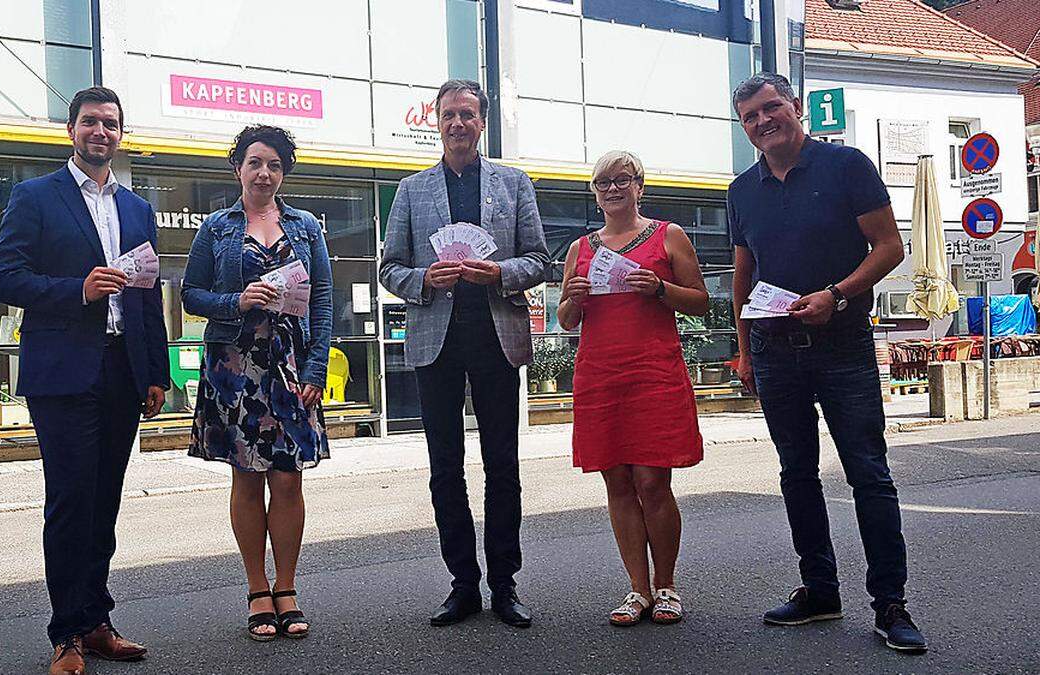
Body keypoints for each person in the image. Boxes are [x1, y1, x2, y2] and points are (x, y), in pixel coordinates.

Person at [728, 72, 926, 653]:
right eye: (750, 117)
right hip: (773, 353)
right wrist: (742, 349)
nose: (763, 122)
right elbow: (744, 276)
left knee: (869, 473)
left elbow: (890, 247)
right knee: (797, 475)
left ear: (794, 107)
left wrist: (836, 295)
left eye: (771, 109)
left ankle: (890, 604)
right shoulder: (742, 191)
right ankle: (819, 590)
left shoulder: (847, 166)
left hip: (842, 346)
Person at [0, 86, 169, 675]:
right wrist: (78, 290)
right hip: (63, 373)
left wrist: (156, 373)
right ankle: (65, 633)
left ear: (122, 134)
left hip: (122, 371)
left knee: (105, 502)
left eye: (111, 123)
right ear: (71, 130)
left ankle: (96, 622)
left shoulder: (137, 208)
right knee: (71, 501)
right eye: (90, 121)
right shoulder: (36, 196)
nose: (101, 131)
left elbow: (146, 300)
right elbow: (7, 279)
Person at [379, 79, 548, 628]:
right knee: (444, 469)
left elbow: (540, 261)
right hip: (437, 342)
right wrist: (424, 279)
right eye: (448, 115)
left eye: (467, 115)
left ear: (482, 121)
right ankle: (463, 584)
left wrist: (499, 271)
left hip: (497, 338)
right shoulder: (411, 190)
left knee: (503, 465)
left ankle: (505, 583)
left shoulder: (514, 183)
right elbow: (389, 270)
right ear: (436, 121)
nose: (457, 124)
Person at [183, 125, 333, 642]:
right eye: (254, 163)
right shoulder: (217, 228)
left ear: (283, 171)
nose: (263, 172)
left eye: (273, 164)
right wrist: (235, 302)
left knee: (288, 478)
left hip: (292, 367)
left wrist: (316, 368)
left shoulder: (307, 226)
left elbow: (323, 302)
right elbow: (191, 295)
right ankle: (256, 589)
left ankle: (287, 587)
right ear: (238, 168)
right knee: (246, 477)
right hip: (234, 365)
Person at [557, 150, 707, 627]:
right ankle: (637, 590)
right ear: (594, 192)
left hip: (653, 372)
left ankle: (667, 586)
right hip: (600, 374)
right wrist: (573, 300)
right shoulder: (581, 249)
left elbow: (702, 303)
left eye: (623, 180)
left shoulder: (669, 236)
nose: (613, 189)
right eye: (604, 182)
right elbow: (565, 319)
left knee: (652, 482)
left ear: (640, 186)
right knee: (617, 482)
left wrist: (659, 289)